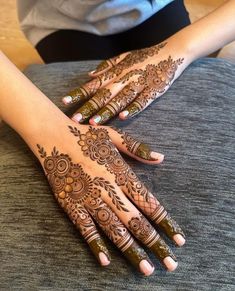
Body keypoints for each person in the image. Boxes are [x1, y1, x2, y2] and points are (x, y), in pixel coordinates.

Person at [17, 0, 235, 125]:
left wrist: (180, 49)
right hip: (57, 17)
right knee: (90, 109)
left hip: (155, 6)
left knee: (180, 95)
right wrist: (41, 128)